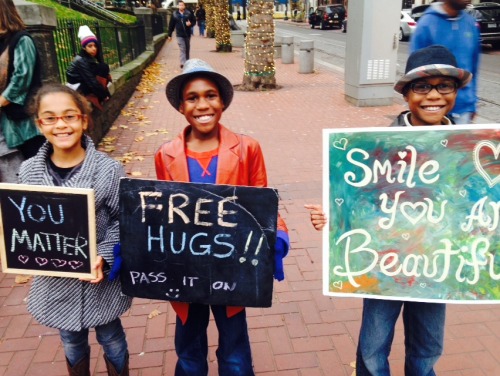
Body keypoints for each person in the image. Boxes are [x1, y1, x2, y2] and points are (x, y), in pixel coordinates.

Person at [306, 45, 472, 375]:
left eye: (444, 86)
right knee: (373, 345)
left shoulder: (468, 146)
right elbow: (355, 197)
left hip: (436, 266)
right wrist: (333, 216)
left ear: (456, 91)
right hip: (384, 263)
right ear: (407, 94)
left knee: (428, 346)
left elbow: (476, 206)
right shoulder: (377, 144)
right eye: (422, 86)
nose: (433, 96)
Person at [155, 58, 290, 375]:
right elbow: (160, 211)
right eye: (192, 97)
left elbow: (262, 200)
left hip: (231, 268)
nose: (203, 104)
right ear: (181, 106)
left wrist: (278, 235)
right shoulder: (165, 153)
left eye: (211, 95)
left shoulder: (247, 148)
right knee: (189, 351)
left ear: (223, 101)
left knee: (234, 352)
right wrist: (134, 248)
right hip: (186, 269)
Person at [20, 84, 132, 376]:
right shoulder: (29, 172)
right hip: (56, 279)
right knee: (71, 340)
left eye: (69, 116)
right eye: (51, 118)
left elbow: (125, 221)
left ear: (83, 120)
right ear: (39, 124)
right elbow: (24, 225)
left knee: (111, 337)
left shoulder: (108, 170)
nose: (61, 124)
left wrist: (105, 256)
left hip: (100, 281)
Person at [410, 0, 480, 125]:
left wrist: (472, 103)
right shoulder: (427, 24)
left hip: (463, 109)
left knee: (458, 144)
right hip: (434, 107)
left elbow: (474, 67)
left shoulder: (470, 23)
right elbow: (415, 71)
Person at [0, 0, 45, 183]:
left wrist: (2, 100)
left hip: (25, 120)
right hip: (6, 121)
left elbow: (22, 78)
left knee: (34, 167)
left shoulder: (21, 39)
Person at [66, 25, 112, 111]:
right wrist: (104, 94)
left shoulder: (89, 58)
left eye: (95, 46)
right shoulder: (80, 60)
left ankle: (98, 94)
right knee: (102, 68)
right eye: (90, 46)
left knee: (103, 67)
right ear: (84, 47)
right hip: (77, 87)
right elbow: (91, 80)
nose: (94, 49)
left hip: (84, 82)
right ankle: (96, 96)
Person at [167, 1, 196, 69]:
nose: (181, 6)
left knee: (187, 48)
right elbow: (171, 25)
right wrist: (169, 35)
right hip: (179, 34)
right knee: (182, 48)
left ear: (184, 6)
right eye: (179, 5)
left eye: (182, 5)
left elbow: (194, 21)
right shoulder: (174, 14)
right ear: (178, 6)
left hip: (187, 34)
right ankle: (183, 63)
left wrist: (190, 24)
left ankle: (187, 62)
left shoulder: (189, 13)